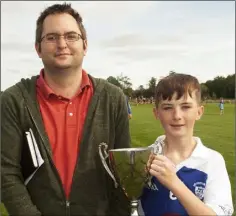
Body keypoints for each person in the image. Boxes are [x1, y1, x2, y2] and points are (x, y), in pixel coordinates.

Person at [1, 3, 131, 216]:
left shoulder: (113, 98)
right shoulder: (13, 100)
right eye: (51, 37)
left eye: (71, 36)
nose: (62, 44)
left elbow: (124, 172)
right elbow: (6, 172)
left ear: (85, 45)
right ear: (38, 48)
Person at [139, 73, 233, 215]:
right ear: (156, 113)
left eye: (186, 107)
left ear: (199, 112)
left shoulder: (212, 161)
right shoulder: (144, 158)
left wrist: (173, 182)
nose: (177, 115)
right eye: (167, 107)